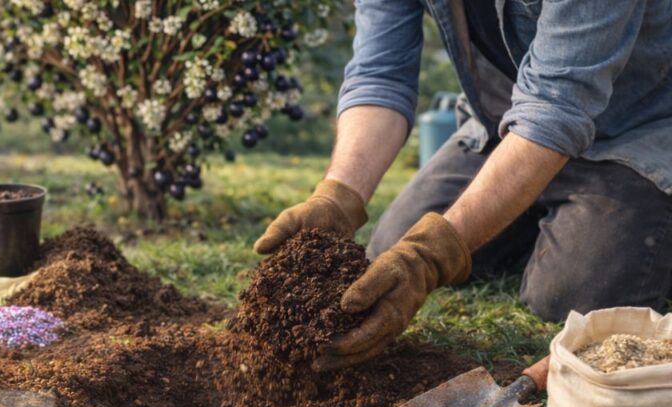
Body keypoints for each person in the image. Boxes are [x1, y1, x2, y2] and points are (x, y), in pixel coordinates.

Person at [254, 0, 672, 371]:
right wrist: (339, 195)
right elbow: (379, 74)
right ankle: (541, 213)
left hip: (635, 133)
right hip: (503, 128)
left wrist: (430, 255)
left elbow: (557, 106)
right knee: (389, 248)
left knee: (567, 296)